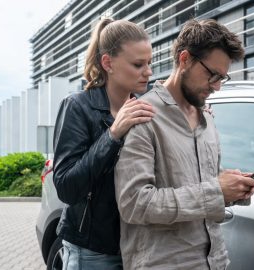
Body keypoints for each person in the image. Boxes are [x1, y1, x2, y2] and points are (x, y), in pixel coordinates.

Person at [114, 19, 254, 270]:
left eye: (222, 78)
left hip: (215, 261)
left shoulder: (207, 118)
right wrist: (216, 191)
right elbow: (134, 203)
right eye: (212, 74)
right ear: (185, 59)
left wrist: (233, 189)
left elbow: (203, 186)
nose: (216, 86)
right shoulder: (143, 117)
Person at [52, 18, 155, 270]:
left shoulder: (148, 106)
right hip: (93, 252)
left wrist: (192, 112)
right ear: (108, 63)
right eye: (138, 64)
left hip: (140, 247)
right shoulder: (78, 107)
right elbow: (66, 187)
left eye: (150, 63)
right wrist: (113, 134)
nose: (149, 72)